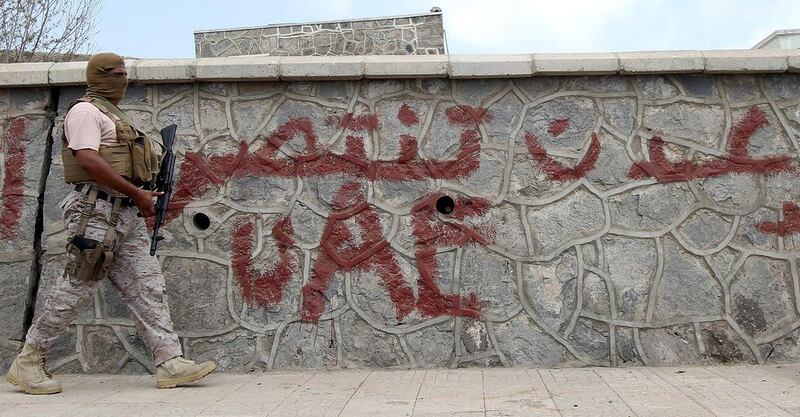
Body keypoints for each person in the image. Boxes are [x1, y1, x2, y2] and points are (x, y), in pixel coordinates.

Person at [5, 52, 216, 395]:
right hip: (97, 213)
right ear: (97, 76)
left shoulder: (113, 115)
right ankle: (29, 359)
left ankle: (169, 361)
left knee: (148, 286)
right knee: (77, 286)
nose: (123, 79)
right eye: (115, 74)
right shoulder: (85, 112)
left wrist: (140, 195)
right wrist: (136, 192)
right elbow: (87, 159)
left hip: (123, 213)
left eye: (124, 73)